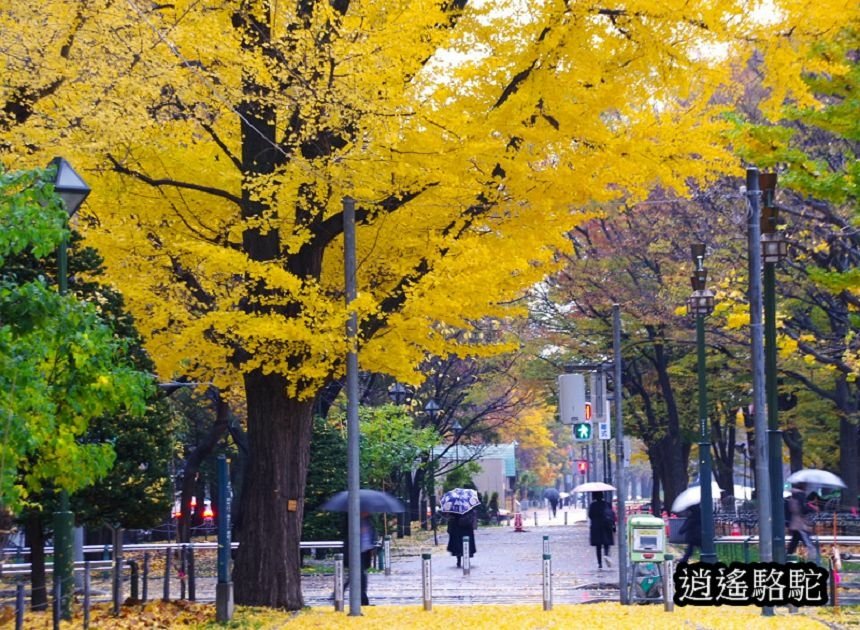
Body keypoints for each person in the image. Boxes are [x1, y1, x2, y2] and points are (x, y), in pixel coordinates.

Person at [344, 512, 377, 605]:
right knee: (361, 577)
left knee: (356, 576)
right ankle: (363, 601)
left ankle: (338, 594)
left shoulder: (368, 521)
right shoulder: (353, 521)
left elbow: (371, 535)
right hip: (355, 553)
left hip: (364, 552)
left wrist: (372, 547)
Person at [786, 486, 819, 562]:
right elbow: (803, 510)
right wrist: (813, 509)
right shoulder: (799, 497)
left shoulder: (793, 498)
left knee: (794, 543)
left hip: (795, 524)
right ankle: (814, 559)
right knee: (808, 543)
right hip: (799, 525)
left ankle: (787, 558)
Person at [587, 492, 615, 569]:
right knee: (606, 543)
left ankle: (599, 563)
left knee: (598, 546)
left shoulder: (593, 505)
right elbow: (612, 515)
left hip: (596, 527)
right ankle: (606, 555)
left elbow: (590, 515)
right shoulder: (607, 504)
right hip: (606, 526)